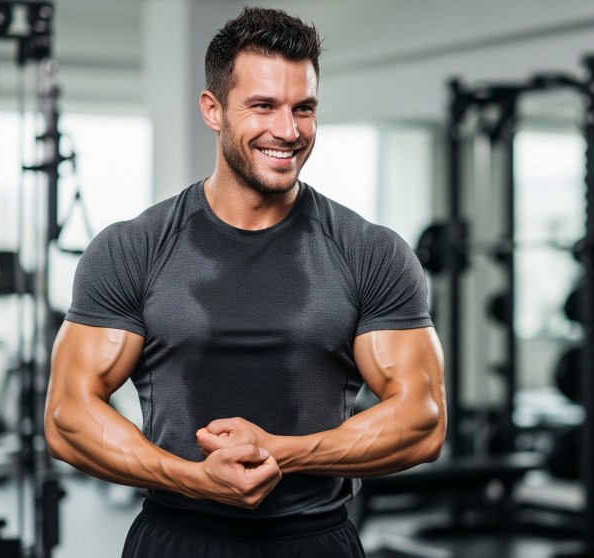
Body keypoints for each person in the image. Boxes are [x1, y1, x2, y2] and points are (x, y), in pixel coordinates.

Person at [44, 7, 446, 557]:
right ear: (213, 110)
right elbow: (68, 417)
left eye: (303, 108)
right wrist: (190, 476)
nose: (288, 130)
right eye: (263, 106)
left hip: (315, 540)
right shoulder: (132, 247)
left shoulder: (370, 252)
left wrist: (284, 451)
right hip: (177, 537)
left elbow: (423, 420)